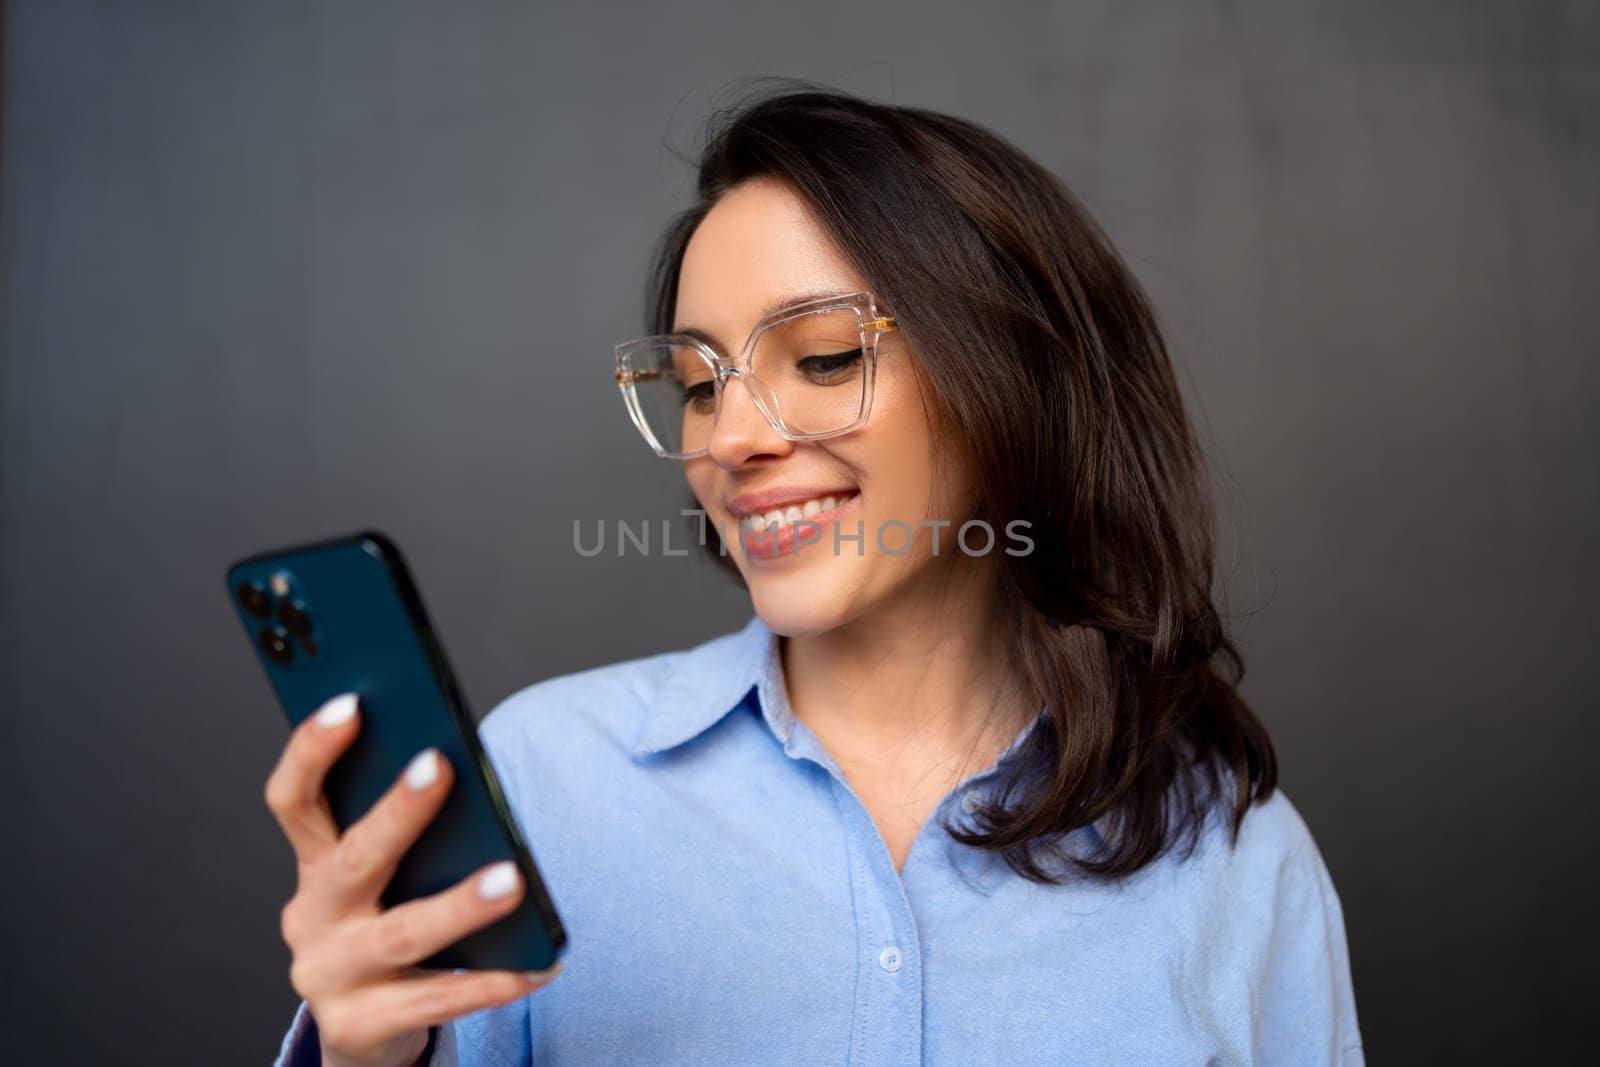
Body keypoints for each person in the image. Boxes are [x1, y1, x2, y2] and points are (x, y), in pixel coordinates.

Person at [267, 84, 1363, 1066]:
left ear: (1015, 381)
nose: (731, 436)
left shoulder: (1233, 857)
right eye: (698, 383)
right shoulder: (544, 786)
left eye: (826, 357)